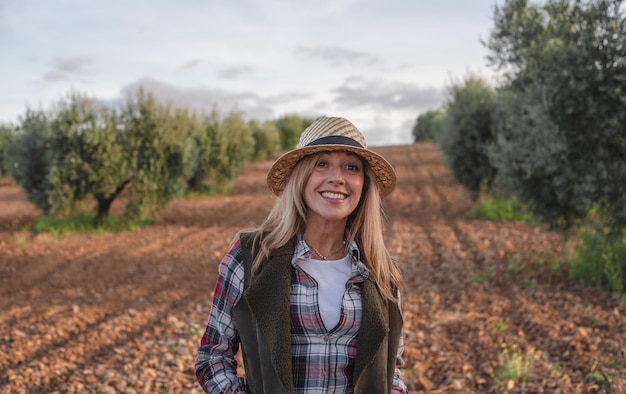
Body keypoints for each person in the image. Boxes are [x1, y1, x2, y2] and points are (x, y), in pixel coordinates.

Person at [195, 116, 408, 393]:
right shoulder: (250, 257)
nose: (337, 178)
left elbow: (392, 371)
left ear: (363, 185)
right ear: (301, 176)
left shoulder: (381, 271)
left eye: (351, 167)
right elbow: (213, 357)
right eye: (322, 164)